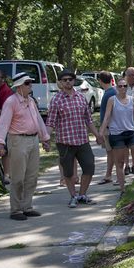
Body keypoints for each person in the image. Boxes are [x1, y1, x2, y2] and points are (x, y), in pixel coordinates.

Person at [0, 73, 51, 221]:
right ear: (19, 86)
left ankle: (27, 206)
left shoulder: (30, 101)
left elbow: (37, 119)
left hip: (33, 140)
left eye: (30, 83)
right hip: (18, 140)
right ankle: (16, 209)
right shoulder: (11, 102)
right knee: (18, 177)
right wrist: (0, 142)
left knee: (31, 176)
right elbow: (3, 123)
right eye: (27, 83)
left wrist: (45, 138)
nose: (30, 86)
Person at [46, 70, 103, 208]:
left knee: (89, 166)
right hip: (65, 141)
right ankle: (73, 196)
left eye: (70, 79)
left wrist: (97, 135)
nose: (67, 82)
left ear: (73, 81)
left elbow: (88, 120)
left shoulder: (81, 97)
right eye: (64, 80)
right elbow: (51, 122)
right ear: (60, 82)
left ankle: (82, 194)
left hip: (82, 140)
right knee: (68, 172)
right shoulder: (56, 100)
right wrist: (46, 139)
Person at [99, 78, 134, 191]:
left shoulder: (133, 100)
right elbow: (107, 116)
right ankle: (123, 189)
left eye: (125, 86)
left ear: (127, 87)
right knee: (120, 163)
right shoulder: (112, 100)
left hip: (131, 133)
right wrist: (101, 132)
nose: (122, 88)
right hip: (117, 135)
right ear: (116, 87)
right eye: (120, 86)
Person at [96, 71, 116, 185]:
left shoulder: (108, 94)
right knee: (111, 152)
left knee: (111, 152)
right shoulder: (112, 92)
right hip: (111, 127)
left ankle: (109, 175)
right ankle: (109, 174)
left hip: (109, 128)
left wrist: (102, 130)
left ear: (100, 81)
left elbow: (107, 115)